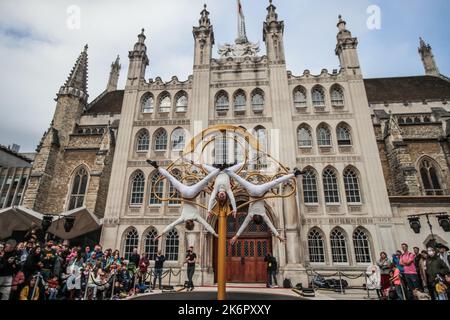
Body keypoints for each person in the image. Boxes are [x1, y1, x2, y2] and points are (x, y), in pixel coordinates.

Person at [227, 165, 304, 244]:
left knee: (275, 182)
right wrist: (235, 236)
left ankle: (294, 174)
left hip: (260, 191)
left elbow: (270, 226)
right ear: (253, 219)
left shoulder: (263, 214)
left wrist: (279, 236)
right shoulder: (251, 215)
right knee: (239, 179)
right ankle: (226, 171)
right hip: (253, 191)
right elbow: (243, 226)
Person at [147, 160, 220, 239]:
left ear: (193, 223)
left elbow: (207, 225)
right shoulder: (183, 218)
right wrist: (161, 234)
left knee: (206, 179)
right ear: (185, 223)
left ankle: (220, 169)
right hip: (184, 191)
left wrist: (215, 234)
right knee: (170, 178)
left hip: (192, 192)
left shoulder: (196, 217)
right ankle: (157, 167)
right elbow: (171, 225)